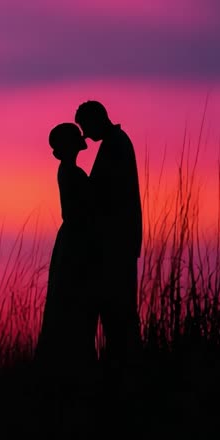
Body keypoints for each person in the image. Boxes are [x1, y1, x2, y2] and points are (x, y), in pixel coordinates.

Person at [75, 100, 142, 369]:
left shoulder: (115, 146)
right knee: (119, 310)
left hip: (116, 244)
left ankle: (125, 366)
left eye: (86, 127)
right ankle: (124, 363)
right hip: (118, 242)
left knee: (119, 310)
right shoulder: (117, 143)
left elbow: (104, 194)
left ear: (96, 119)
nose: (86, 136)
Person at [36, 122, 98, 370]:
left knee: (65, 301)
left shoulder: (68, 172)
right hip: (76, 242)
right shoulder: (74, 174)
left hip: (71, 240)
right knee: (74, 300)